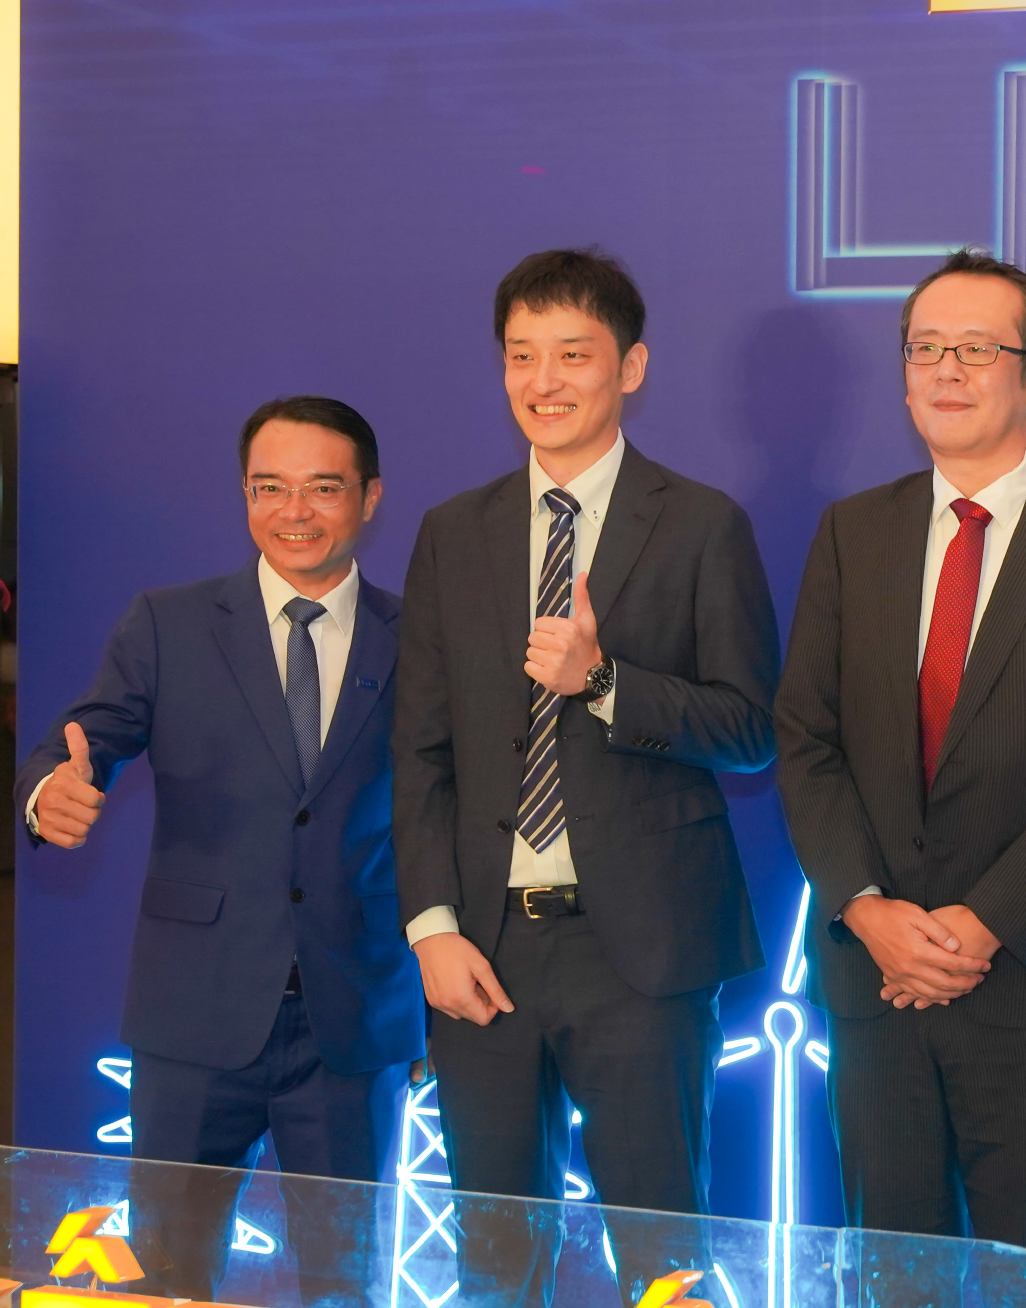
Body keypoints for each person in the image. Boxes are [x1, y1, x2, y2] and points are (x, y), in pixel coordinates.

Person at [775, 248, 1026, 1308]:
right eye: (924, 349)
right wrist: (867, 910)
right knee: (890, 1280)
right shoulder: (851, 532)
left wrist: (982, 923)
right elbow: (805, 740)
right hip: (878, 983)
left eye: (976, 349)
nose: (945, 370)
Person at [393, 248, 779, 1305]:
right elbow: (419, 751)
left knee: (663, 1256)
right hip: (483, 947)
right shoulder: (453, 533)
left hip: (642, 953)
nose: (544, 380)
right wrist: (431, 928)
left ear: (630, 366)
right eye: (522, 355)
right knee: (493, 1259)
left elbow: (752, 728)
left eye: (573, 353)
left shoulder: (700, 524)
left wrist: (605, 682)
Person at [15, 396, 422, 1306]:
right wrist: (50, 791)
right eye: (269, 487)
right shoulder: (168, 623)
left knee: (344, 1286)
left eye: (322, 488)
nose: (293, 511)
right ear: (244, 495)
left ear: (369, 496)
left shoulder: (421, 636)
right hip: (193, 1015)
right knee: (165, 1277)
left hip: (354, 1017)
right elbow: (80, 739)